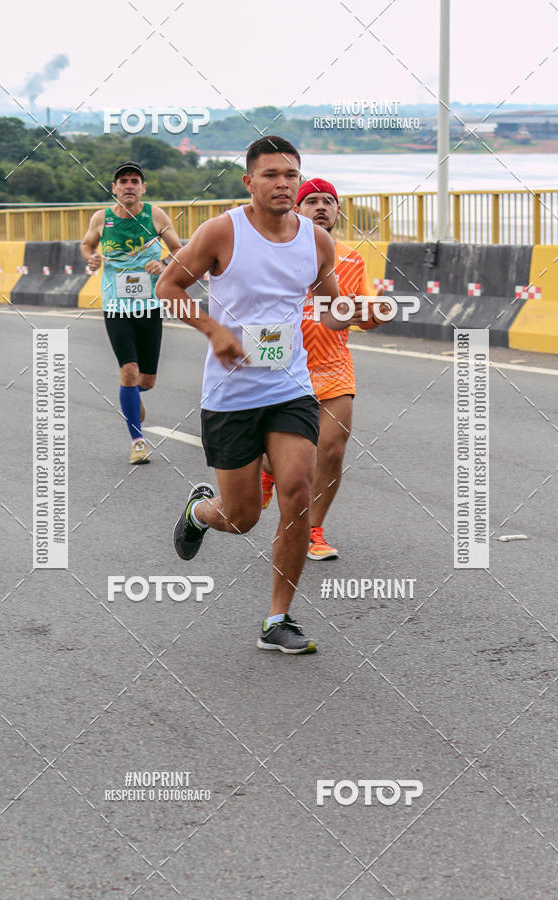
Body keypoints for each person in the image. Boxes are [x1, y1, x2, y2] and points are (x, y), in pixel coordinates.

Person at [155, 136, 383, 654]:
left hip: (290, 387)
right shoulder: (222, 232)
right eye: (271, 175)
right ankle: (199, 514)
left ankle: (278, 617)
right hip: (230, 394)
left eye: (291, 175)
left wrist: (370, 312)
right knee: (240, 517)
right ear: (249, 182)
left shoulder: (316, 242)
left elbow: (331, 308)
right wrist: (214, 332)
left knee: (297, 492)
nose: (283, 184)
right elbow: (169, 287)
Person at [261, 178, 380, 560]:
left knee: (331, 450)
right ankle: (266, 468)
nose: (321, 207)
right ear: (296, 208)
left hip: (333, 365)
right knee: (283, 452)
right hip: (282, 365)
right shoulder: (272, 253)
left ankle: (313, 529)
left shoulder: (351, 258)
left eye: (329, 201)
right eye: (311, 200)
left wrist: (373, 316)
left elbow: (361, 311)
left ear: (337, 211)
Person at [80, 161, 182, 464]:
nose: (128, 186)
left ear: (143, 188)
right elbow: (86, 245)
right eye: (122, 181)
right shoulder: (102, 218)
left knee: (146, 380)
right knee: (128, 371)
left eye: (134, 181)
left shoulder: (156, 215)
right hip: (116, 307)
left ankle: (134, 395)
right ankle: (137, 440)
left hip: (150, 306)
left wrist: (164, 263)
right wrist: (92, 259)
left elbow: (179, 249)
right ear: (114, 188)